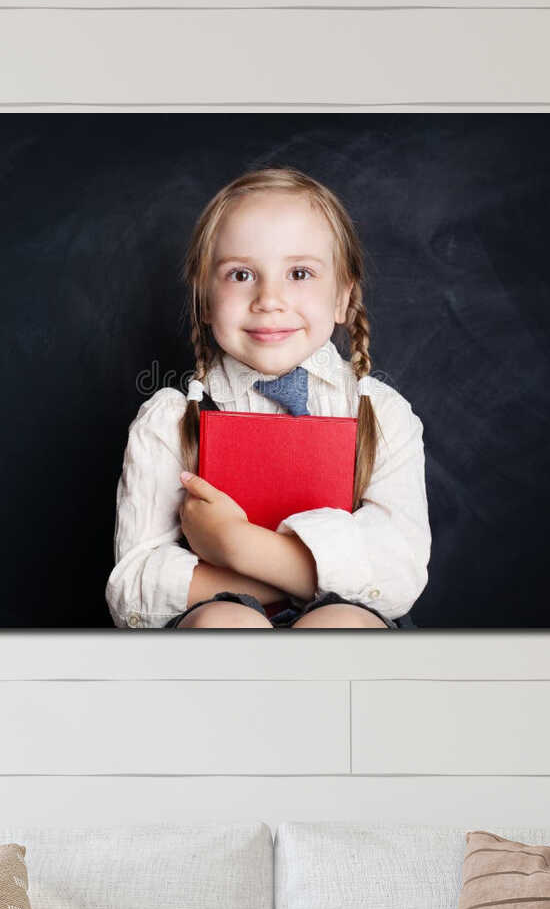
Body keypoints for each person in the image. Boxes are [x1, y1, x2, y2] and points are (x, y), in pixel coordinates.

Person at [105, 167, 430, 630]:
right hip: (215, 643)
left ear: (343, 297)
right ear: (204, 298)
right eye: (240, 274)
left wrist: (237, 545)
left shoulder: (382, 416)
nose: (269, 299)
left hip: (348, 628)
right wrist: (291, 573)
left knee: (341, 625)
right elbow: (133, 592)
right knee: (223, 624)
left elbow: (397, 577)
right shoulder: (169, 421)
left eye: (300, 273)